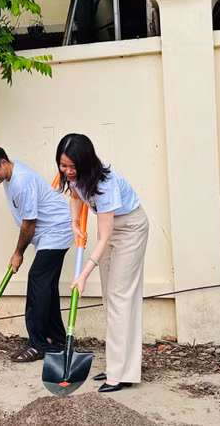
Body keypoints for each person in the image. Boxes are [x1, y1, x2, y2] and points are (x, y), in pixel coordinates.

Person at [55, 133, 149, 393]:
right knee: (112, 298)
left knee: (120, 297)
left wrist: (83, 274)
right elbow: (75, 198)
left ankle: (118, 375)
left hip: (130, 228)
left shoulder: (104, 184)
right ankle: (120, 368)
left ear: (86, 162)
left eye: (73, 166)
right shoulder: (75, 178)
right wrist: (74, 224)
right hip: (110, 230)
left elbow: (104, 237)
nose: (68, 171)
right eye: (63, 165)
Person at [0, 145, 73, 362]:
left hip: (56, 231)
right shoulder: (10, 176)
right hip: (50, 232)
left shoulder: (21, 181)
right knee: (46, 287)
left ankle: (37, 344)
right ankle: (55, 339)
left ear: (3, 162)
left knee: (37, 282)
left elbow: (29, 223)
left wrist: (18, 253)